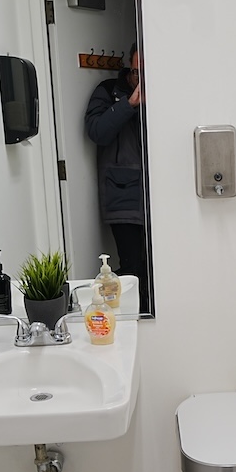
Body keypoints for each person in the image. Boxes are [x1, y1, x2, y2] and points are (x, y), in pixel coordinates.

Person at [84, 43, 149, 311]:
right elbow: (97, 132)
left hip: (163, 192)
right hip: (123, 195)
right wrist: (130, 103)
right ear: (128, 68)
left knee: (166, 263)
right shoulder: (109, 91)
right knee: (132, 267)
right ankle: (131, 317)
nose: (140, 79)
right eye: (136, 72)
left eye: (146, 72)